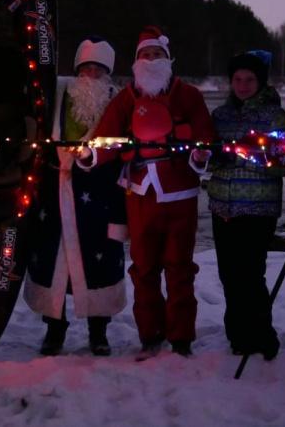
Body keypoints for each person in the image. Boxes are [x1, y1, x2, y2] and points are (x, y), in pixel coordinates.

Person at [82, 26, 214, 358]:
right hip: (139, 192)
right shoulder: (126, 99)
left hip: (180, 194)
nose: (151, 60)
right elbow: (106, 138)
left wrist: (201, 155)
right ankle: (150, 335)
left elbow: (205, 136)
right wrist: (90, 155)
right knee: (143, 268)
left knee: (180, 267)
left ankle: (181, 338)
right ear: (137, 62)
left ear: (168, 60)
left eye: (157, 55)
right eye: (145, 55)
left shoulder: (189, 96)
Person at [23, 37, 127, 357]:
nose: (91, 75)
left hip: (99, 194)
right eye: (86, 68)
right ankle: (54, 329)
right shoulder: (56, 93)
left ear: (107, 73)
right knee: (52, 260)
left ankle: (99, 332)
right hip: (55, 189)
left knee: (99, 262)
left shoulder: (118, 101)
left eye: (98, 70)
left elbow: (124, 150)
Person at [207, 50, 285, 360]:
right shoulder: (220, 116)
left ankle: (262, 336)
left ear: (260, 81)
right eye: (237, 79)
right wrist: (212, 157)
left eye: (249, 79)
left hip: (257, 208)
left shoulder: (274, 117)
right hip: (222, 206)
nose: (242, 85)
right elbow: (207, 160)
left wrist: (248, 155)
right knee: (229, 275)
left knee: (251, 275)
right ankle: (238, 335)